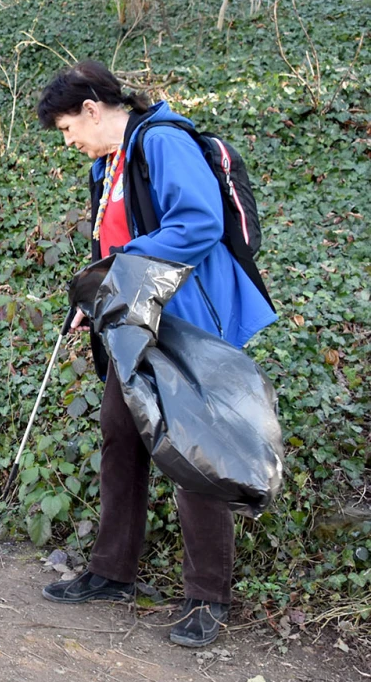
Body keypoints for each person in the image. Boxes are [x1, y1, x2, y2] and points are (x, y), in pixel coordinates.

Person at [35, 61, 276, 648]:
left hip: (186, 324)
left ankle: (208, 597)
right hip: (136, 325)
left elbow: (198, 223)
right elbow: (114, 242)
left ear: (92, 110)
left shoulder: (163, 142)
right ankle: (112, 571)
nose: (69, 142)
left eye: (68, 129)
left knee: (192, 448)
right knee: (120, 435)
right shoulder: (108, 165)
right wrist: (96, 296)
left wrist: (116, 270)